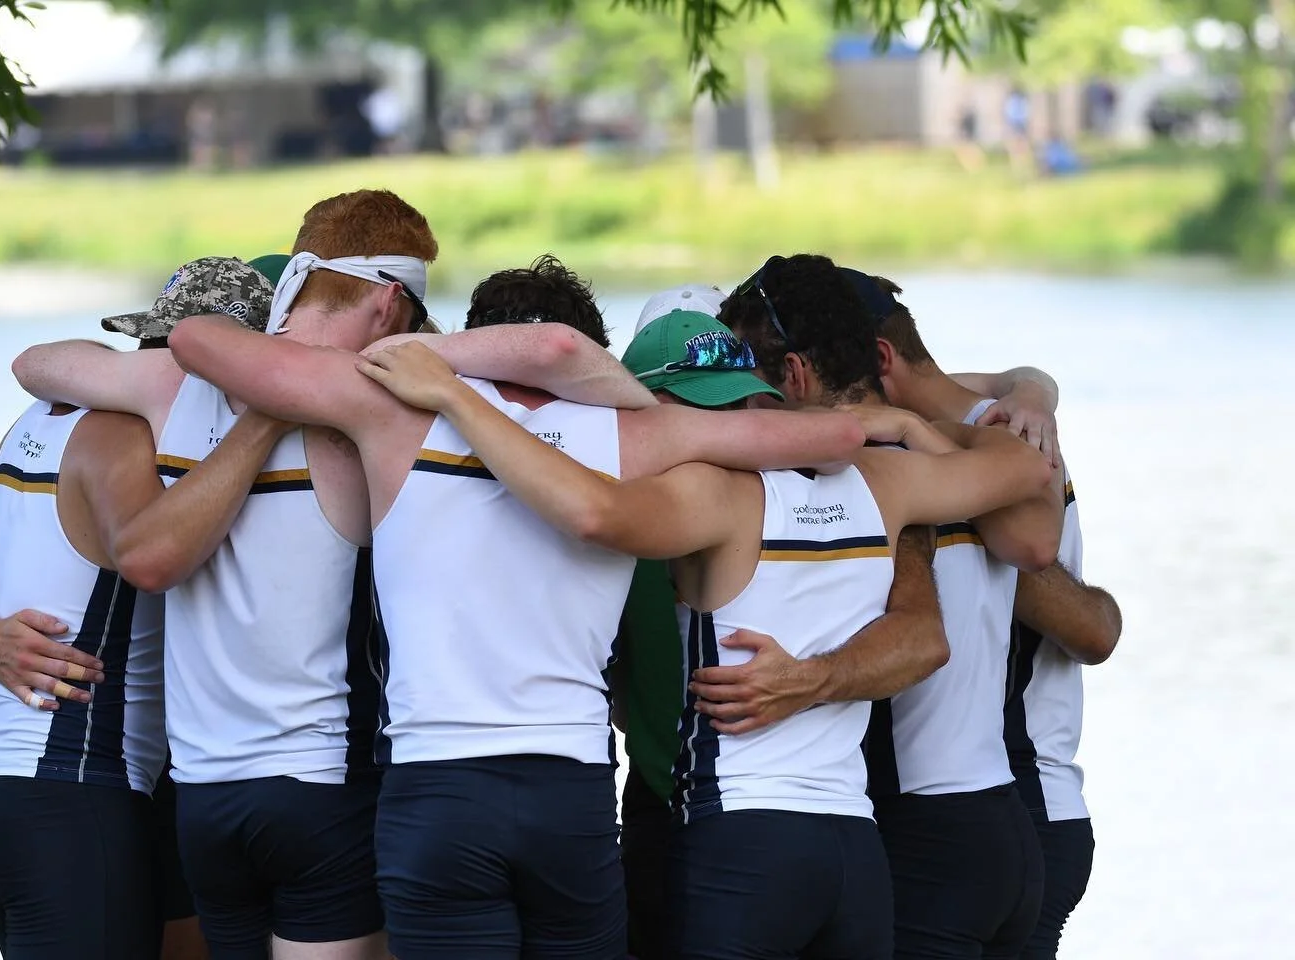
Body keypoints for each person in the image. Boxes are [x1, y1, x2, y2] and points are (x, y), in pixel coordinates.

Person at [8, 206, 668, 959]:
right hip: (325, 786)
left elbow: (35, 363)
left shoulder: (172, 385)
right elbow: (552, 358)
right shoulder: (371, 406)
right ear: (391, 304)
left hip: (203, 795)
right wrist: (430, 358)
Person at [166, 255, 870, 960]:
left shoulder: (392, 415)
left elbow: (196, 341)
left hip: (435, 791)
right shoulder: (643, 435)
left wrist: (427, 359)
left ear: (479, 342)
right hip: (569, 793)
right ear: (593, 343)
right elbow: (839, 437)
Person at [348, 267, 1051, 960]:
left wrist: (459, 401)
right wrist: (968, 411)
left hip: (736, 847)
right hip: (852, 849)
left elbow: (590, 510)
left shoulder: (699, 497)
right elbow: (1024, 469)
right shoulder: (883, 482)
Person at [0, 253, 320, 960]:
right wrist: (272, 414)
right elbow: (150, 560)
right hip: (76, 794)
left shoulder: (40, 421)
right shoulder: (132, 441)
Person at [726, 262, 1061, 959]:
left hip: (920, 837)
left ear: (792, 376)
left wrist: (807, 680)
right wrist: (1011, 393)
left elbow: (922, 639)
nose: (737, 412)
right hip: (1003, 826)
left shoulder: (868, 472)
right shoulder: (961, 448)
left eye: (745, 385)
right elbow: (1032, 497)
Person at [610, 310, 947, 960]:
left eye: (739, 405)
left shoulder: (716, 494)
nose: (730, 428)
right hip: (756, 822)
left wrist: (907, 428)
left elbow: (932, 635)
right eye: (700, 409)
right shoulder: (679, 493)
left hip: (739, 830)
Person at [829, 269, 1122, 960]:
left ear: (876, 360)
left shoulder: (990, 446)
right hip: (1005, 813)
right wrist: (1030, 383)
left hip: (1015, 802)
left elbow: (1089, 624)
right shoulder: (997, 421)